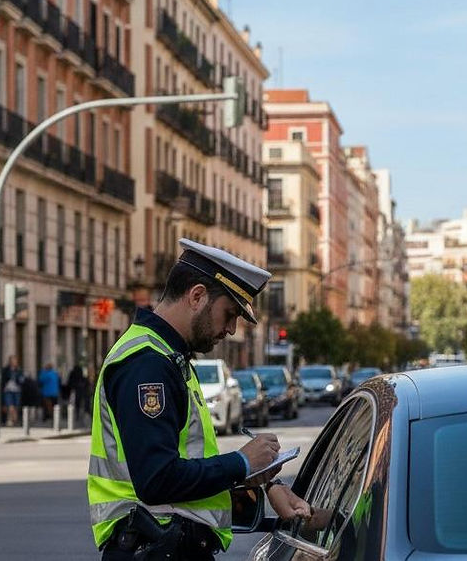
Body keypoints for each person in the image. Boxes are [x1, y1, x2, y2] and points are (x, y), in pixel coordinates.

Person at [88, 239, 311, 560]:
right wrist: (242, 461)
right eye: (229, 314)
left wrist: (256, 482)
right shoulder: (148, 363)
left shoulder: (168, 357)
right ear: (196, 296)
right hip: (154, 549)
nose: (232, 329)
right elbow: (157, 480)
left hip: (163, 547)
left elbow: (183, 475)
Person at [1, 356, 24, 426]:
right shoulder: (6, 370)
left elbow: (22, 379)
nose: (14, 362)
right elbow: (3, 379)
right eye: (13, 361)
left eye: (15, 361)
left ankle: (13, 420)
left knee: (16, 406)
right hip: (8, 390)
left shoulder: (19, 370)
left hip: (17, 390)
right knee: (10, 406)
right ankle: (14, 419)